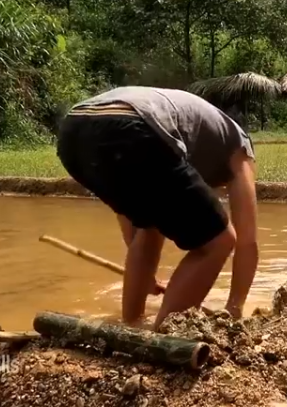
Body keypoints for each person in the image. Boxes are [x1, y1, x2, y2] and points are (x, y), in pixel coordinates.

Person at [55, 86, 258, 330]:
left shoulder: (196, 134)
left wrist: (145, 277)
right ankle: (164, 336)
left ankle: (131, 324)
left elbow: (133, 217)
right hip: (131, 126)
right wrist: (234, 308)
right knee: (221, 241)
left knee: (149, 228)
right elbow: (247, 240)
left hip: (73, 132)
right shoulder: (239, 146)